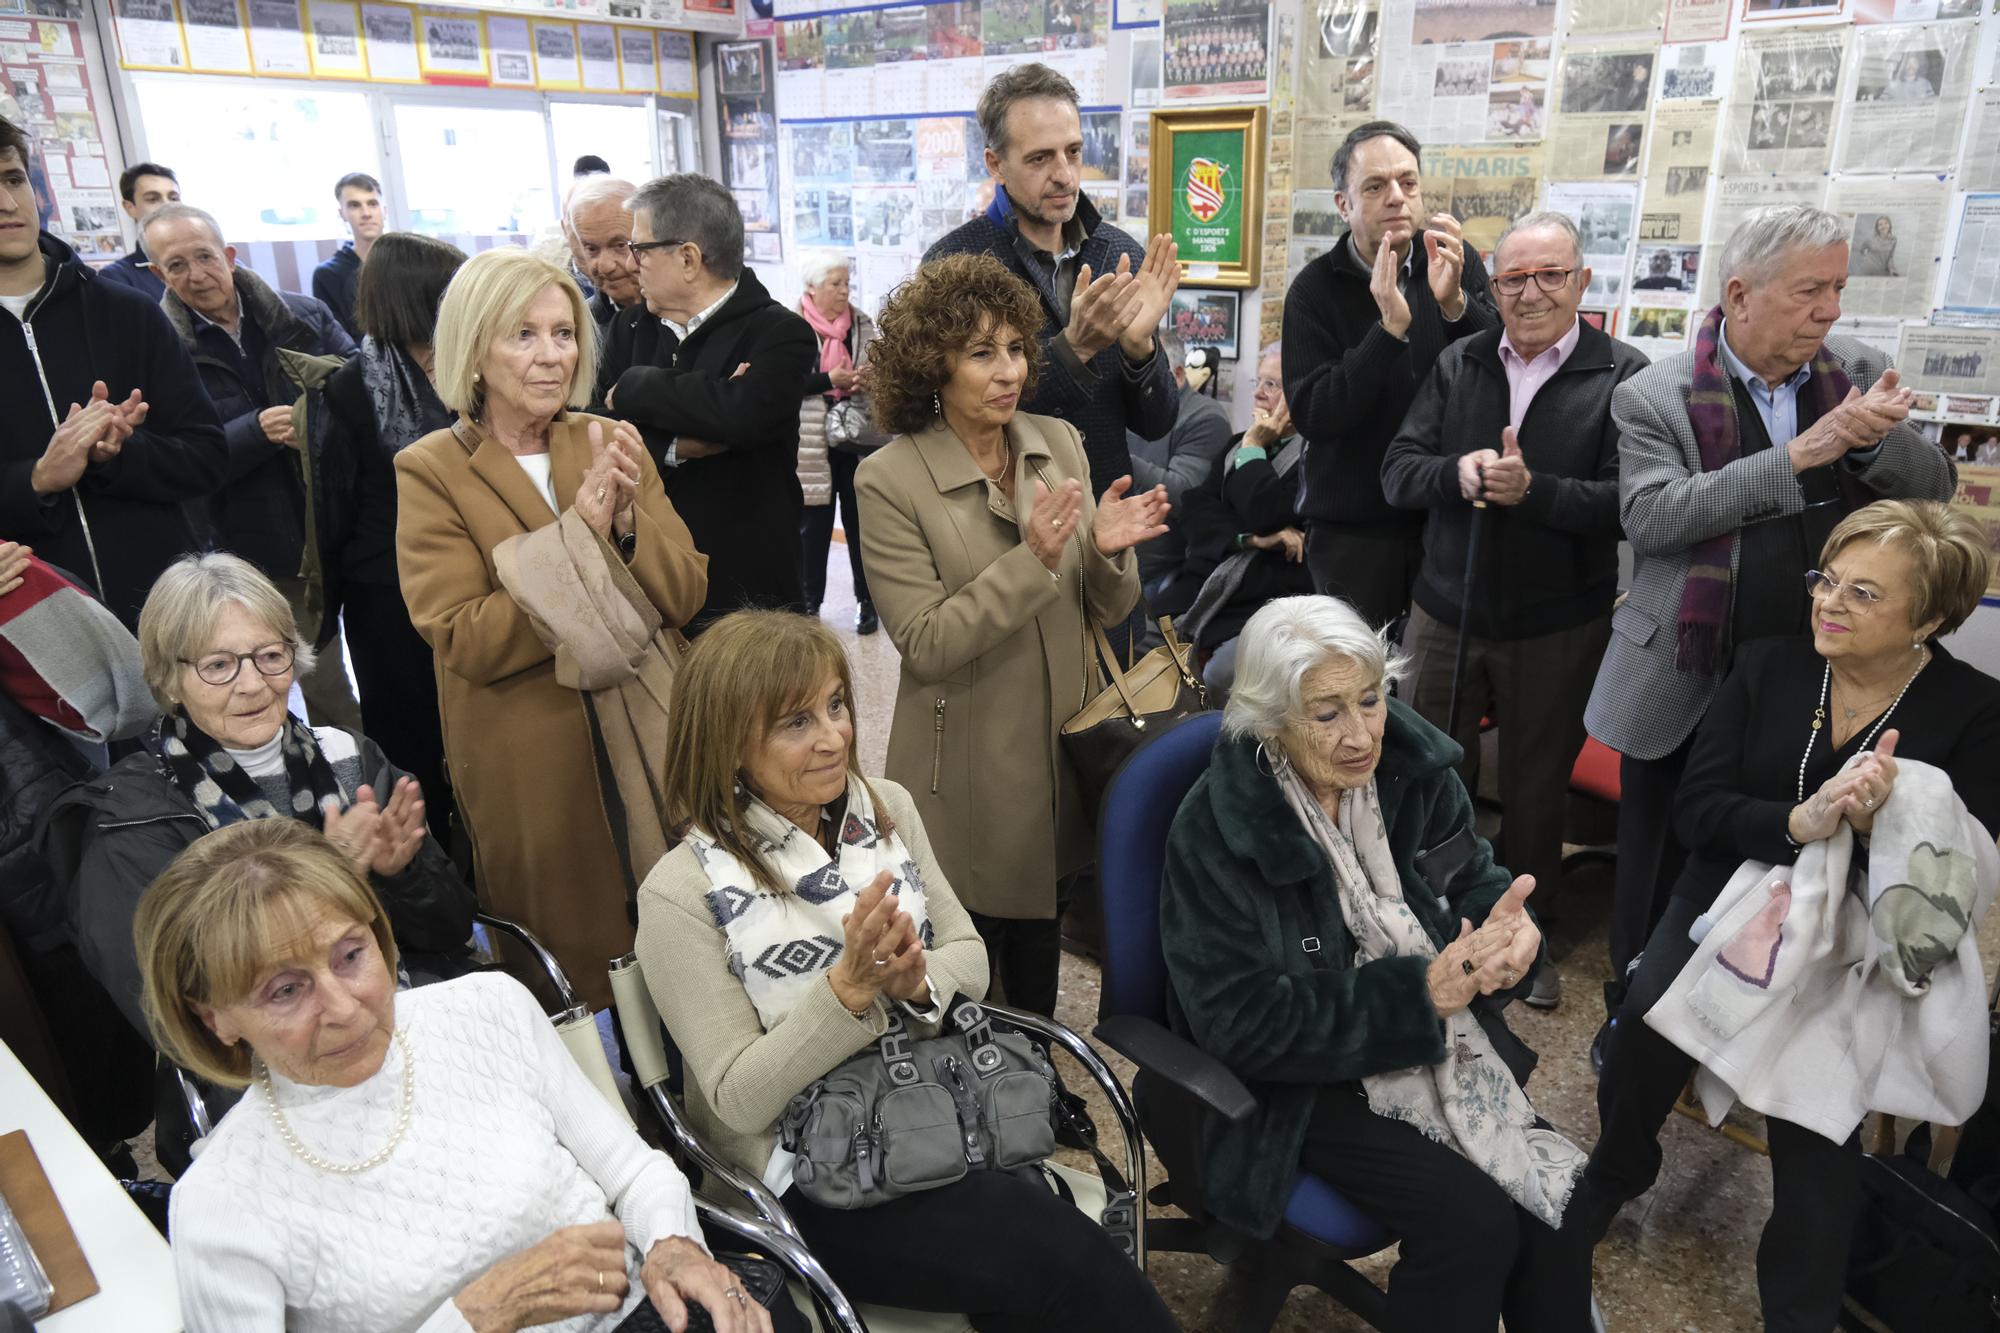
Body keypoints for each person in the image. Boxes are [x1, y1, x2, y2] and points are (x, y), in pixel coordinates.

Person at [637, 609, 1179, 1332]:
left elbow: (970, 958)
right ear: (727, 743)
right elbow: (737, 1099)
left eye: (836, 705)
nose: (835, 736)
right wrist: (848, 991)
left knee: (1040, 1275)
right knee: (1056, 1254)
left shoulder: (884, 809)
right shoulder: (681, 891)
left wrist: (911, 981)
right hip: (809, 1174)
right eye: (796, 722)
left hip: (939, 1110)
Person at [1573, 500, 2000, 1331]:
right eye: (1826, 580)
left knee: (1818, 1140)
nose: (1829, 604)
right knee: (1644, 1032)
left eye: (1864, 594)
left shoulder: (1975, 710)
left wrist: (1884, 824)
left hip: (1854, 938)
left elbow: (1965, 867)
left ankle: (1799, 1311)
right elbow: (1699, 812)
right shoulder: (1770, 664)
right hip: (1725, 897)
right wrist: (1799, 823)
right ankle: (1617, 1171)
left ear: (1934, 617)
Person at [141, 819, 767, 1333]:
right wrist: (476, 1317)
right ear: (215, 1018)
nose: (343, 1006)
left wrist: (670, 1243)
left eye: (351, 955)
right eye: (284, 990)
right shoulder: (221, 1205)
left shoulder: (488, 1009)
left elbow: (633, 1172)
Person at [1160, 594, 1592, 1333]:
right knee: (1473, 1225)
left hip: (1433, 1043)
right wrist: (1417, 995)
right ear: (1269, 718)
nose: (1361, 734)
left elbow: (1472, 877)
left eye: (1371, 699)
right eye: (1327, 714)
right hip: (1290, 1079)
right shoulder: (1218, 830)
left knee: (1559, 1204)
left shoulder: (1413, 772)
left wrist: (1511, 938)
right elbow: (1241, 1023)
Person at [1582, 204, 1956, 1036]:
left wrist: (1869, 447)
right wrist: (1798, 455)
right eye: (1809, 291)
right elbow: (1652, 519)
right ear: (1741, 294)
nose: (1829, 311)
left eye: (1837, 289)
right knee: (1658, 861)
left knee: (1785, 857)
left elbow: (1934, 488)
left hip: (1815, 678)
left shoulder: (1856, 368)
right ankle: (1632, 1019)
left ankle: (1748, 1030)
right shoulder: (1655, 391)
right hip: (1685, 668)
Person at [854, 253, 1167, 1017]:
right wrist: (1033, 561)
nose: (1009, 371)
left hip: (1061, 744)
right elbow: (925, 640)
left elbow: (1100, 602)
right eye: (980, 353)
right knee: (972, 941)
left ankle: (1039, 1069)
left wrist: (1109, 551)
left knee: (1042, 932)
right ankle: (985, 1091)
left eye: (1018, 348)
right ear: (933, 365)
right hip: (967, 759)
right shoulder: (889, 480)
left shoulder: (1057, 440)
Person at [395, 247, 709, 1011]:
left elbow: (688, 592)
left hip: (647, 723)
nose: (552, 356)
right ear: (474, 347)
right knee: (575, 959)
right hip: (531, 748)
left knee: (688, 933)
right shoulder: (430, 469)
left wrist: (628, 530)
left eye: (564, 333)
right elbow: (465, 634)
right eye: (524, 335)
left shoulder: (608, 439)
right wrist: (580, 543)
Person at [1381, 212, 1650, 1012]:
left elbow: (1633, 506)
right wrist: (1458, 475)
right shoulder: (1460, 361)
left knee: (1535, 791)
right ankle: (1429, 917)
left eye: (1549, 276)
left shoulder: (1625, 375)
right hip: (1443, 608)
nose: (1530, 293)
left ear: (1582, 283)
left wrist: (1536, 493)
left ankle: (1524, 937)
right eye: (1512, 279)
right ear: (1491, 286)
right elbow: (1398, 472)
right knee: (1430, 770)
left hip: (1557, 620)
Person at [39, 551, 476, 1041]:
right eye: (219, 665)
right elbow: (173, 1012)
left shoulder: (348, 757)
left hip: (409, 1015)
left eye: (270, 656)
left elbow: (453, 930)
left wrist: (404, 876)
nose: (252, 685)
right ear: (167, 678)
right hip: (264, 1066)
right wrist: (331, 877)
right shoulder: (132, 817)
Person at [0, 116, 227, 628]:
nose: (8, 204)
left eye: (14, 180)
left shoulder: (127, 312)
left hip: (164, 618)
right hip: (36, 637)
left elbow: (207, 457)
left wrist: (121, 454)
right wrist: (36, 479)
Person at [143, 202, 362, 728]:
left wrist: (317, 426)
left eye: (205, 257)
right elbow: (168, 458)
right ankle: (328, 786)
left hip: (345, 525)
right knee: (311, 679)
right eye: (177, 266)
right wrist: (253, 432)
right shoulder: (161, 349)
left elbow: (363, 393)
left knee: (379, 665)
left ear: (231, 255)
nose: (197, 275)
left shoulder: (303, 316)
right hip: (259, 549)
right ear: (157, 275)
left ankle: (380, 776)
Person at [923, 63, 1180, 501]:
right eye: (1040, 158)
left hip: (1104, 516)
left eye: (1074, 152)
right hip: (1002, 519)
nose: (1064, 174)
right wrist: (1074, 350)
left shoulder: (1118, 256)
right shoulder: (954, 264)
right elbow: (948, 419)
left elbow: (1156, 424)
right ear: (996, 163)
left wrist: (1141, 351)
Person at [1283, 120, 1498, 629]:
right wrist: (1388, 332)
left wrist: (1456, 306)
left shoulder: (1453, 263)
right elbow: (1315, 414)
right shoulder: (1313, 291)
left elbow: (1501, 372)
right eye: (1376, 187)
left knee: (1426, 691)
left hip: (1445, 516)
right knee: (1356, 679)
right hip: (1355, 533)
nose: (1397, 198)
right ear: (1344, 204)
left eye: (1408, 182)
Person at [597, 174, 814, 632]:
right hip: (650, 576)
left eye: (640, 250)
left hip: (747, 589)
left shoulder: (779, 333)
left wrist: (637, 386)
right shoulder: (628, 328)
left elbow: (741, 415)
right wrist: (676, 445)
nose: (631, 264)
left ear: (688, 257)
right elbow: (594, 427)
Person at [307, 232, 465, 842]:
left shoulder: (466, 366)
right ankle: (428, 856)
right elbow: (335, 502)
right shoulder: (352, 387)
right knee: (409, 734)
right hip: (385, 590)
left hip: (460, 572)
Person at [0, 543, 157, 1155]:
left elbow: (122, 691)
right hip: (38, 835)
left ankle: (103, 1163)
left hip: (38, 830)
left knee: (75, 1031)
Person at [1165, 342, 1304, 698]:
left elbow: (1266, 511)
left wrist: (1254, 448)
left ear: (1300, 394)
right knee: (1139, 633)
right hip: (1208, 577)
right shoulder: (1235, 444)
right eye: (1259, 381)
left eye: (1272, 385)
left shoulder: (1312, 459)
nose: (1258, 392)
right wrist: (1252, 540)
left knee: (1217, 674)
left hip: (1261, 599)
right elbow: (1195, 509)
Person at [792, 252, 881, 633]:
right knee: (813, 528)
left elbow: (883, 367)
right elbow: (782, 384)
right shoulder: (790, 325)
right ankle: (810, 604)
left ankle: (867, 602)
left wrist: (868, 378)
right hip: (811, 442)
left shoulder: (861, 323)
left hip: (856, 436)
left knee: (861, 524)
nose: (844, 290)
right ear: (812, 286)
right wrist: (831, 379)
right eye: (835, 284)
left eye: (847, 283)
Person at [1125, 327, 1234, 596]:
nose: (1133, 378)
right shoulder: (1126, 406)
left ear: (1177, 375)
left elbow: (1185, 496)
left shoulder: (1205, 418)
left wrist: (1113, 455)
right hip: (1111, 557)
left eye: (1145, 370)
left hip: (1157, 572)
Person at [313, 171, 385, 342]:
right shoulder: (328, 275)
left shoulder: (406, 263)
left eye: (373, 203)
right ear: (342, 213)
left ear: (384, 210)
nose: (366, 213)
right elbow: (336, 339)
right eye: (354, 205)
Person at [567, 175, 644, 331]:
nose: (605, 266)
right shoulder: (576, 327)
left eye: (620, 245)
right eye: (592, 249)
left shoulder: (688, 314)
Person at [97, 161, 178, 300]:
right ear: (130, 207)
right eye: (153, 199)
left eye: (174, 198)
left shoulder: (206, 261)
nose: (167, 206)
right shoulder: (117, 278)